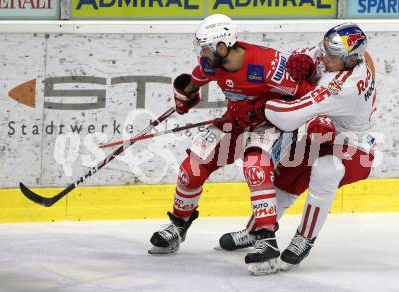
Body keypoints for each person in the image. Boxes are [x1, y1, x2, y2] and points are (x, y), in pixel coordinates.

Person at [147, 14, 313, 275]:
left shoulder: (270, 65)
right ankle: (179, 225)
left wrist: (263, 109)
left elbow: (306, 100)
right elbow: (192, 85)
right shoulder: (211, 64)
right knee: (191, 168)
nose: (202, 53)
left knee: (255, 167)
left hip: (269, 124)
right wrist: (183, 96)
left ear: (222, 47)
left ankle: (266, 240)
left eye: (205, 47)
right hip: (234, 120)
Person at [219, 23, 377, 271]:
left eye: (332, 55)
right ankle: (257, 231)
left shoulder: (343, 87)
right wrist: (301, 58)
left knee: (326, 170)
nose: (324, 56)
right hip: (323, 134)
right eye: (325, 48)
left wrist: (260, 107)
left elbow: (290, 116)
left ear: (350, 60)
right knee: (285, 177)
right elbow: (311, 54)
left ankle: (304, 239)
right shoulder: (347, 56)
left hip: (354, 147)